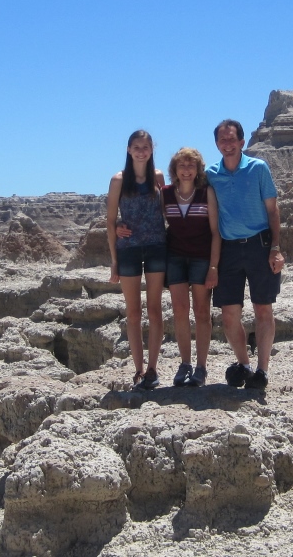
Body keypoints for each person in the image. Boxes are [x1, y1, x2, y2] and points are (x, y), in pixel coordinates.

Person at [206, 119, 284, 390]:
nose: (227, 144)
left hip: (259, 245)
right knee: (229, 313)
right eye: (222, 140)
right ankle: (244, 364)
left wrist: (275, 248)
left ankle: (262, 370)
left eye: (232, 140)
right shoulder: (211, 174)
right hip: (228, 249)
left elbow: (273, 210)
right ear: (217, 144)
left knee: (263, 307)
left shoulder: (258, 168)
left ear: (241, 142)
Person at [107, 130, 167, 390]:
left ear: (152, 149)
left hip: (156, 247)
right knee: (133, 312)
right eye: (136, 147)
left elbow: (167, 213)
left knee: (154, 310)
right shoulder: (119, 180)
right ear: (129, 150)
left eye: (146, 146)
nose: (141, 151)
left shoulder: (158, 177)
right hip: (129, 249)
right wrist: (114, 260)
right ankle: (138, 369)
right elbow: (110, 222)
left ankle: (153, 369)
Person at [161, 148, 221, 387]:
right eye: (182, 166)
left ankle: (201, 367)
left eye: (191, 166)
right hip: (175, 258)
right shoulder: (165, 194)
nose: (186, 170)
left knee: (202, 312)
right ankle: (185, 363)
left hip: (202, 258)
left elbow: (216, 232)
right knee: (179, 311)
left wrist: (214, 266)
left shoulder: (206, 193)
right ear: (174, 170)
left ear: (198, 170)